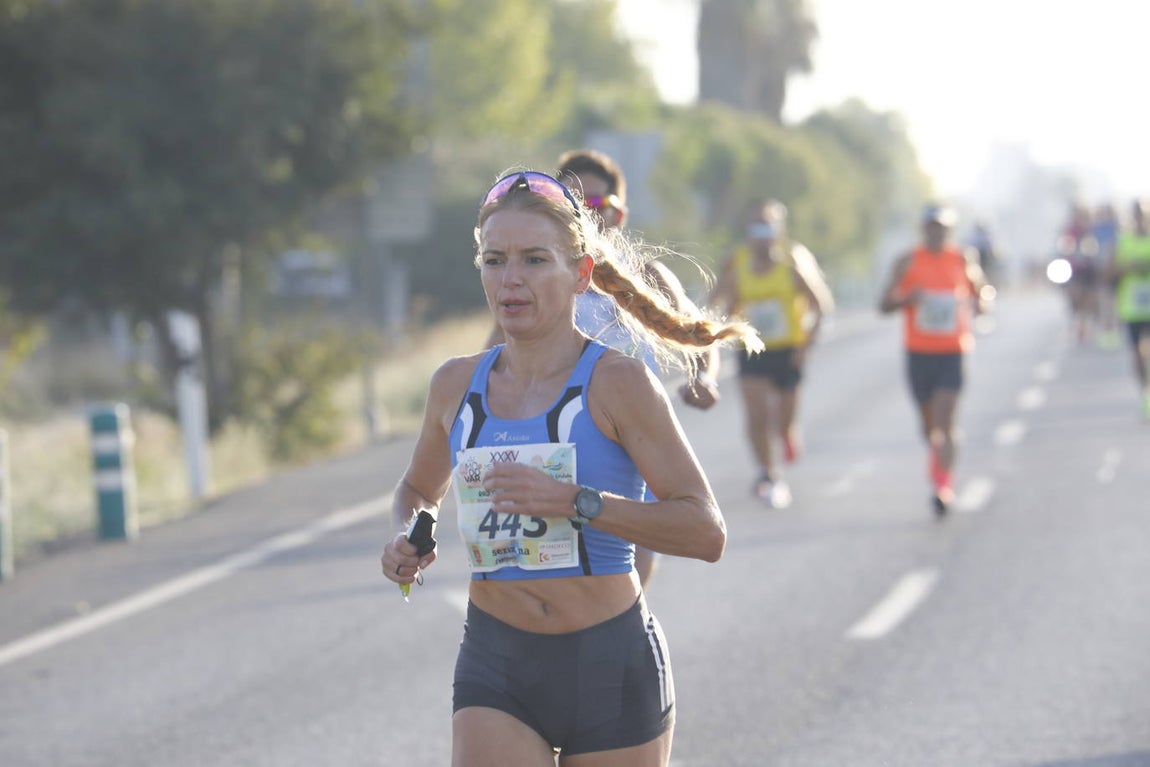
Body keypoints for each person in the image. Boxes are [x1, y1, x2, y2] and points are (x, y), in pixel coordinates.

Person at [381, 170, 760, 766]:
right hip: (495, 662)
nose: (510, 279)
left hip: (609, 662)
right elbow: (416, 488)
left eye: (534, 260)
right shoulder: (454, 384)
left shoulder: (618, 383)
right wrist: (409, 534)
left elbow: (706, 532)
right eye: (494, 260)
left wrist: (576, 502)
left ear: (581, 274)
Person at [485, 148, 719, 590]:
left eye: (596, 204)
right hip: (558, 439)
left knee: (627, 575)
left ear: (619, 214)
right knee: (554, 575)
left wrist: (704, 377)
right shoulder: (540, 281)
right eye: (573, 204)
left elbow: (692, 333)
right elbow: (492, 357)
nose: (587, 215)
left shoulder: (647, 276)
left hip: (636, 440)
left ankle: (623, 625)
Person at [708, 199, 834, 509]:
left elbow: (821, 305)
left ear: (779, 230)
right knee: (757, 414)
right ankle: (768, 473)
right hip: (752, 349)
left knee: (783, 421)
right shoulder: (736, 262)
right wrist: (716, 325)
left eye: (768, 226)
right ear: (748, 230)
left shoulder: (793, 261)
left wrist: (806, 346)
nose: (762, 234)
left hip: (788, 350)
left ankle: (788, 434)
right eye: (756, 226)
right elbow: (716, 302)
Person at [878, 203, 992, 515]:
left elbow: (982, 290)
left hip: (953, 350)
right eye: (931, 226)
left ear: (950, 230)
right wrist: (907, 299)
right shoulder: (907, 261)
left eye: (942, 227)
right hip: (918, 352)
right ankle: (937, 457)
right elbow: (883, 304)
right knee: (929, 426)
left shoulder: (962, 259)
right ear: (923, 229)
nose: (936, 232)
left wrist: (981, 304)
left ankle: (943, 485)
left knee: (947, 420)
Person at [1110, 198, 1150, 417]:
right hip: (1132, 308)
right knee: (1138, 355)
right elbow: (1110, 271)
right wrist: (1127, 267)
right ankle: (1145, 393)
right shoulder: (1123, 241)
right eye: (1137, 215)